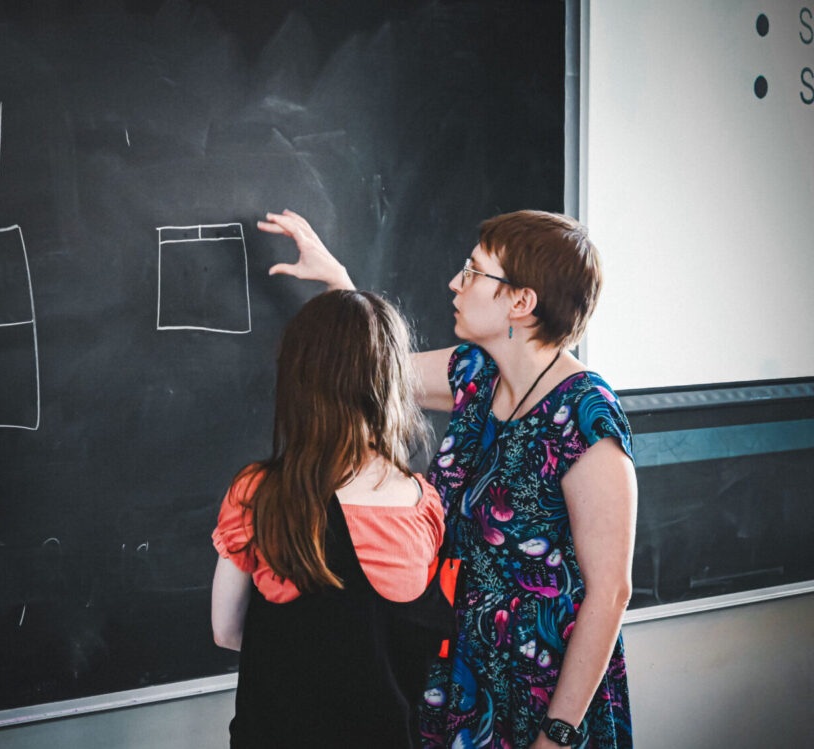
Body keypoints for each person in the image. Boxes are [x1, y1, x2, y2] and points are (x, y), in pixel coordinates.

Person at [258, 209, 637, 749]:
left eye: (474, 272)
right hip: (458, 674)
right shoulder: (476, 373)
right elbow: (375, 368)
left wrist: (556, 735)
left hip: (540, 687)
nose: (455, 283)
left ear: (521, 303)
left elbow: (611, 592)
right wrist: (339, 282)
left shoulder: (586, 417)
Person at [210, 289, 452, 748]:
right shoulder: (424, 505)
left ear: (299, 380)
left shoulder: (258, 495)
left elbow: (226, 631)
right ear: (391, 382)